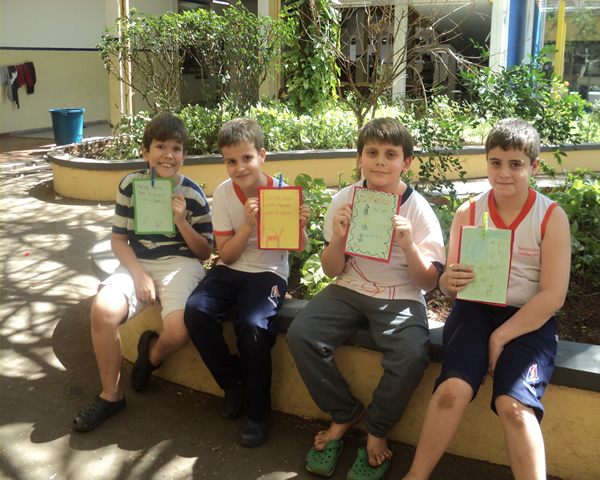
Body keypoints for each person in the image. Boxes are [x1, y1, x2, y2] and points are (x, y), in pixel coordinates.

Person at [402, 118, 571, 480]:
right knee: (452, 392)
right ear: (487, 163)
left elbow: (553, 296)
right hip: (474, 312)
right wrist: (448, 280)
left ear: (534, 167)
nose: (504, 173)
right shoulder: (469, 212)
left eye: (516, 164)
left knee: (514, 407)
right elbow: (450, 286)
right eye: (496, 162)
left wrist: (500, 337)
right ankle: (415, 476)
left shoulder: (550, 217)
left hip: (529, 318)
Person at [286, 117, 446, 479]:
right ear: (359, 159)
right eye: (371, 153)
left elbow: (428, 282)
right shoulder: (345, 199)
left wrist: (409, 245)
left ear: (406, 162)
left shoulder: (418, 209)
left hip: (401, 295)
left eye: (391, 154)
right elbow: (331, 270)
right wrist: (339, 238)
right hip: (348, 287)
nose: (380, 162)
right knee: (301, 334)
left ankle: (377, 429)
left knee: (411, 354)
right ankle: (345, 412)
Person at [73, 113, 213, 432]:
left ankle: (150, 356)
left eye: (176, 148)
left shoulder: (192, 194)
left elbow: (205, 252)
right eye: (160, 146)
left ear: (184, 156)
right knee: (102, 310)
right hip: (137, 262)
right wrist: (138, 273)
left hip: (181, 264)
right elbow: (118, 240)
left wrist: (181, 222)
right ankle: (111, 395)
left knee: (180, 329)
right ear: (146, 152)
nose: (168, 154)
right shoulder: (130, 186)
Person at [184, 118, 311, 448]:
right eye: (231, 161)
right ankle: (233, 382)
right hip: (231, 268)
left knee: (253, 328)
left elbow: (297, 247)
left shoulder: (281, 192)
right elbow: (226, 255)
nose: (240, 168)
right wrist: (249, 225)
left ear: (262, 156)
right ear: (224, 162)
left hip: (268, 274)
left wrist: (299, 226)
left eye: (247, 158)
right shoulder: (224, 194)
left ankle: (257, 412)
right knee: (196, 311)